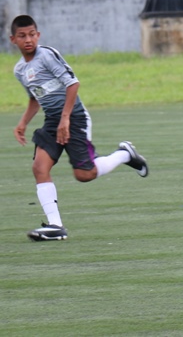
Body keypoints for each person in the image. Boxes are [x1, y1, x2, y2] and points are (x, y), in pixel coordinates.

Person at [10, 15, 149, 242]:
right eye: (22, 36)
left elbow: (73, 84)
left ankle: (125, 154)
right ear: (13, 39)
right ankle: (56, 226)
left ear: (38, 35)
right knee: (39, 167)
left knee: (85, 175)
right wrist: (23, 123)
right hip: (52, 121)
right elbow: (35, 98)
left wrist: (65, 119)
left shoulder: (47, 55)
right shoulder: (20, 70)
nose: (28, 40)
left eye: (32, 35)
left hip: (74, 117)